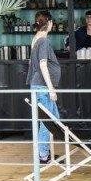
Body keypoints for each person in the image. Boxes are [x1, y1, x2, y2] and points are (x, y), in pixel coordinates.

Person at [27, 10, 61, 165]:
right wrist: (51, 89)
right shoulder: (43, 41)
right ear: (50, 23)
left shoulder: (36, 39)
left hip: (40, 86)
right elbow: (42, 64)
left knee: (54, 120)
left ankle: (48, 152)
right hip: (43, 87)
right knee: (48, 122)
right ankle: (43, 156)